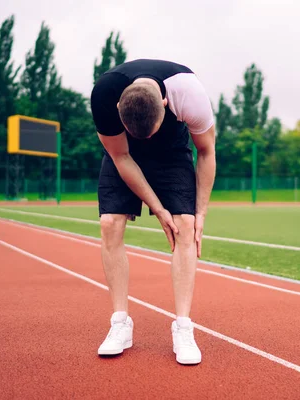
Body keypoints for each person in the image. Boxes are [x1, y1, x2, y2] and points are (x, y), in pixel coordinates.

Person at [90, 59, 216, 365]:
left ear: (165, 103)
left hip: (171, 154)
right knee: (110, 223)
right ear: (119, 105)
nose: (146, 138)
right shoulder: (105, 95)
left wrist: (200, 213)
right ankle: (121, 322)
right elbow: (120, 155)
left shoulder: (188, 91)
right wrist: (157, 208)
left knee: (184, 225)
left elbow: (207, 151)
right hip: (124, 153)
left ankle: (183, 327)